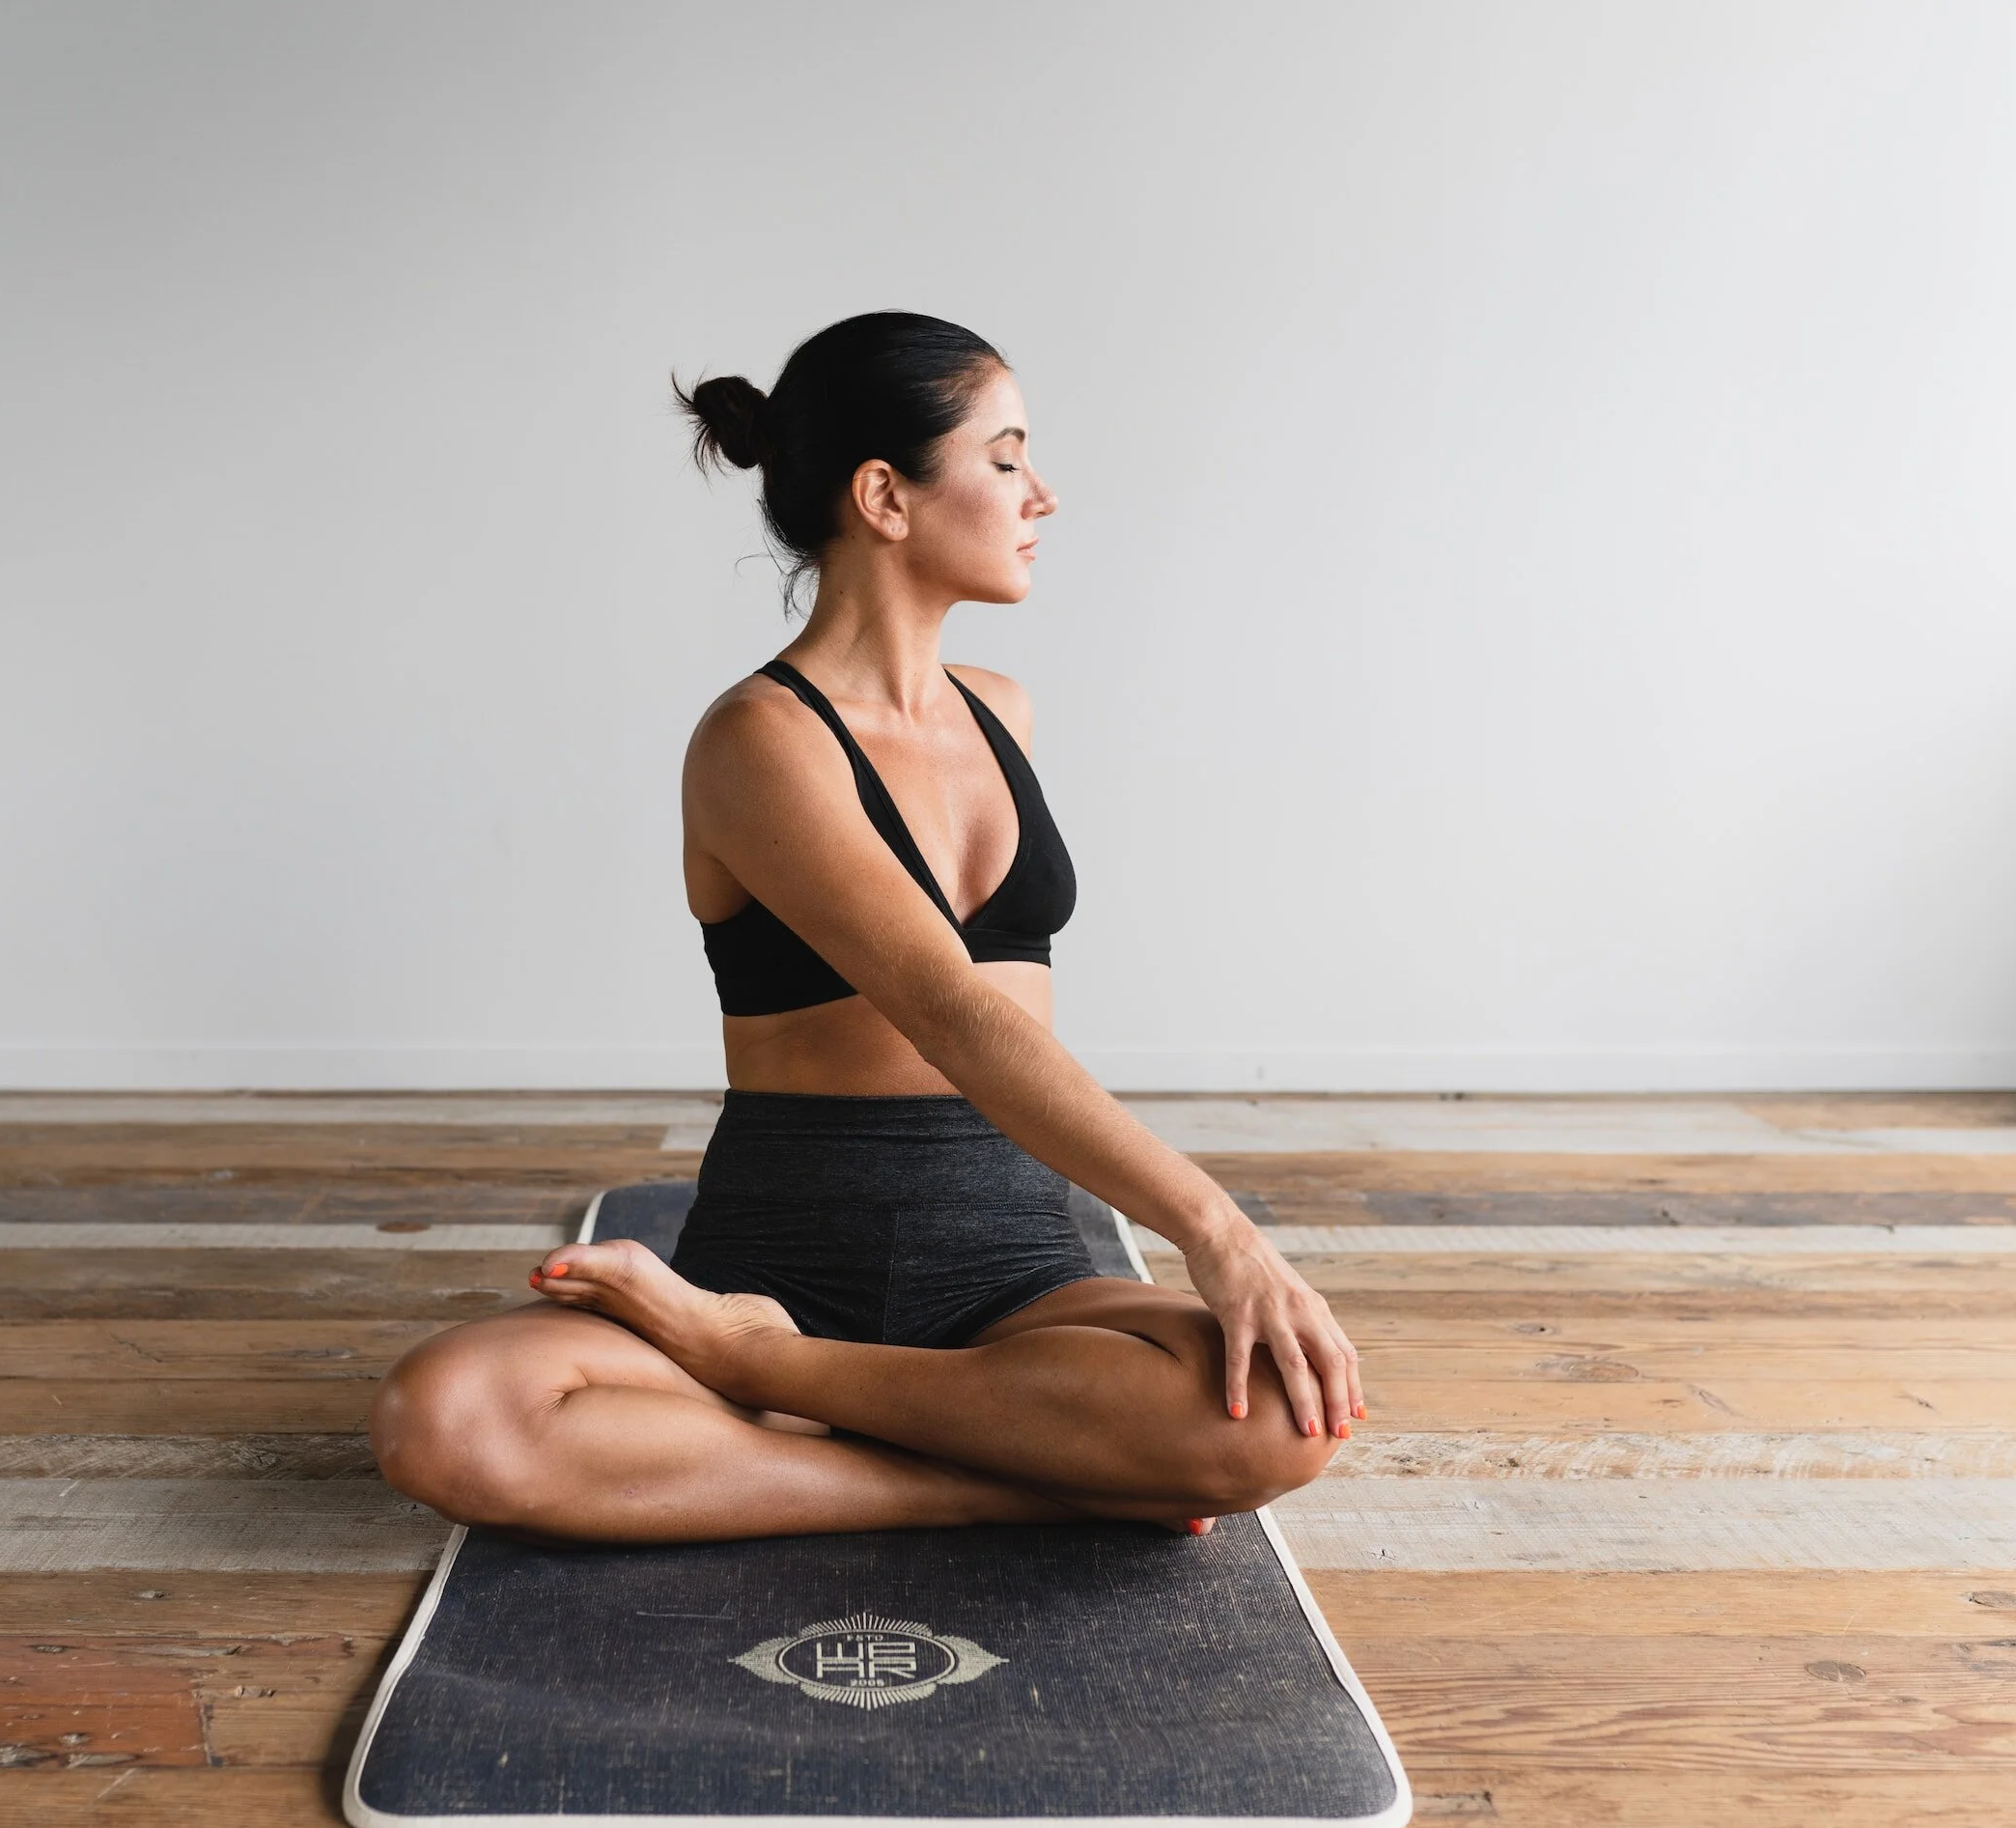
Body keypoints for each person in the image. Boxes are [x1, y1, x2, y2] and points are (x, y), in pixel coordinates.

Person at [371, 312, 1361, 1542]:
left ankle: (780, 1385)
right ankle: (982, 1463)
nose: (1040, 494)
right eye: (1004, 459)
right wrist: (1217, 1228)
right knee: (449, 1416)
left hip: (1009, 1267)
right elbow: (950, 1011)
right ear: (885, 494)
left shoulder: (1005, 713)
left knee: (1280, 1412)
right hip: (778, 1260)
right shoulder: (757, 740)